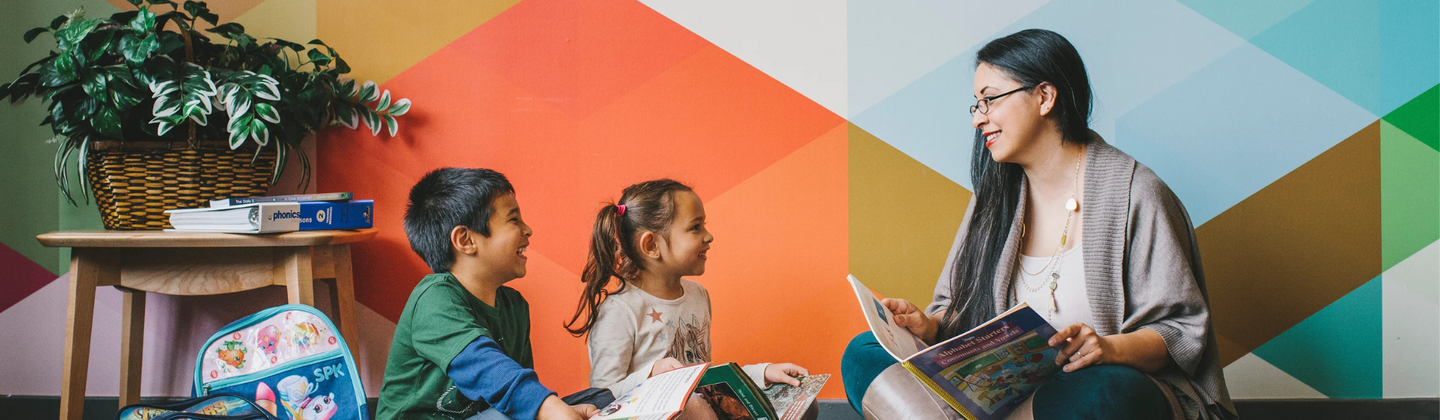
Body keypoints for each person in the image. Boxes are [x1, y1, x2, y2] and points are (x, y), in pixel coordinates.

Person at [840, 29, 1236, 420]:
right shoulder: (992, 199)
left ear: (1044, 97)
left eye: (990, 100)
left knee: (1107, 392)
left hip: (1082, 393)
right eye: (976, 105)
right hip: (997, 396)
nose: (978, 119)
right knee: (864, 354)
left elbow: (1180, 330)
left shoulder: (1135, 192)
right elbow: (960, 315)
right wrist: (929, 326)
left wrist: (1107, 348)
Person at [566, 179, 812, 420]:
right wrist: (651, 374)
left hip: (702, 407)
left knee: (800, 398)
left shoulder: (698, 295)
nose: (709, 236)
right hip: (666, 413)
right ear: (651, 245)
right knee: (693, 408)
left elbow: (704, 378)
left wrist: (762, 374)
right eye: (695, 227)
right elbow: (602, 398)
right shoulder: (619, 311)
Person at [377, 168, 609, 420]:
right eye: (514, 220)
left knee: (601, 399)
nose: (528, 230)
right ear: (466, 240)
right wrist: (551, 410)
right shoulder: (433, 299)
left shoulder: (514, 306)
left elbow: (517, 396)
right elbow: (484, 367)